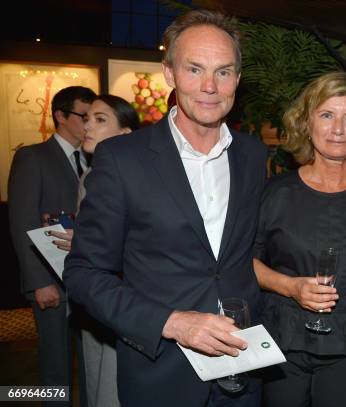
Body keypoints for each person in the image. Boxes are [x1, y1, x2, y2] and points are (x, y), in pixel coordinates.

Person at [63, 10, 267, 407]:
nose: (210, 86)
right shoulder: (122, 159)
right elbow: (84, 273)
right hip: (163, 374)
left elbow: (247, 255)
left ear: (237, 81)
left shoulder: (252, 155)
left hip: (243, 369)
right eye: (195, 69)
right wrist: (172, 323)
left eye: (223, 72)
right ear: (170, 74)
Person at [253, 71, 346, 407]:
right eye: (326, 115)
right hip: (283, 344)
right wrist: (290, 287)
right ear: (307, 124)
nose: (338, 129)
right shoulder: (274, 195)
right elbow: (244, 262)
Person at [48, 94, 139, 407]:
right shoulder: (91, 174)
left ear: (125, 134)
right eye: (88, 118)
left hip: (117, 297)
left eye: (101, 120)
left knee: (111, 386)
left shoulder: (126, 177)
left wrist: (90, 242)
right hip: (92, 294)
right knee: (96, 379)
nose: (88, 126)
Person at [8, 85, 96, 405]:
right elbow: (22, 222)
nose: (88, 123)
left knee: (92, 365)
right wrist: (40, 282)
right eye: (83, 115)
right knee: (56, 367)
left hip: (88, 280)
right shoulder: (33, 157)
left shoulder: (95, 159)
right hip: (52, 282)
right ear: (60, 115)